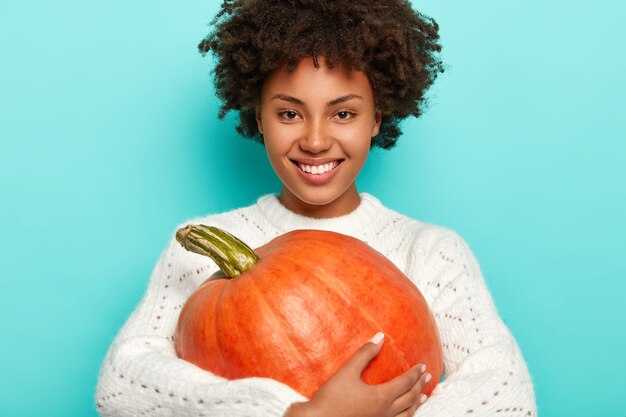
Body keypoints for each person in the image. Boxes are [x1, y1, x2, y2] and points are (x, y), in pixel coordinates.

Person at [95, 0, 537, 416]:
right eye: (289, 114)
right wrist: (299, 413)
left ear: (376, 118)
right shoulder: (199, 251)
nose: (315, 140)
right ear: (258, 117)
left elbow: (507, 394)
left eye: (343, 114)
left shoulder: (431, 251)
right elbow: (122, 384)